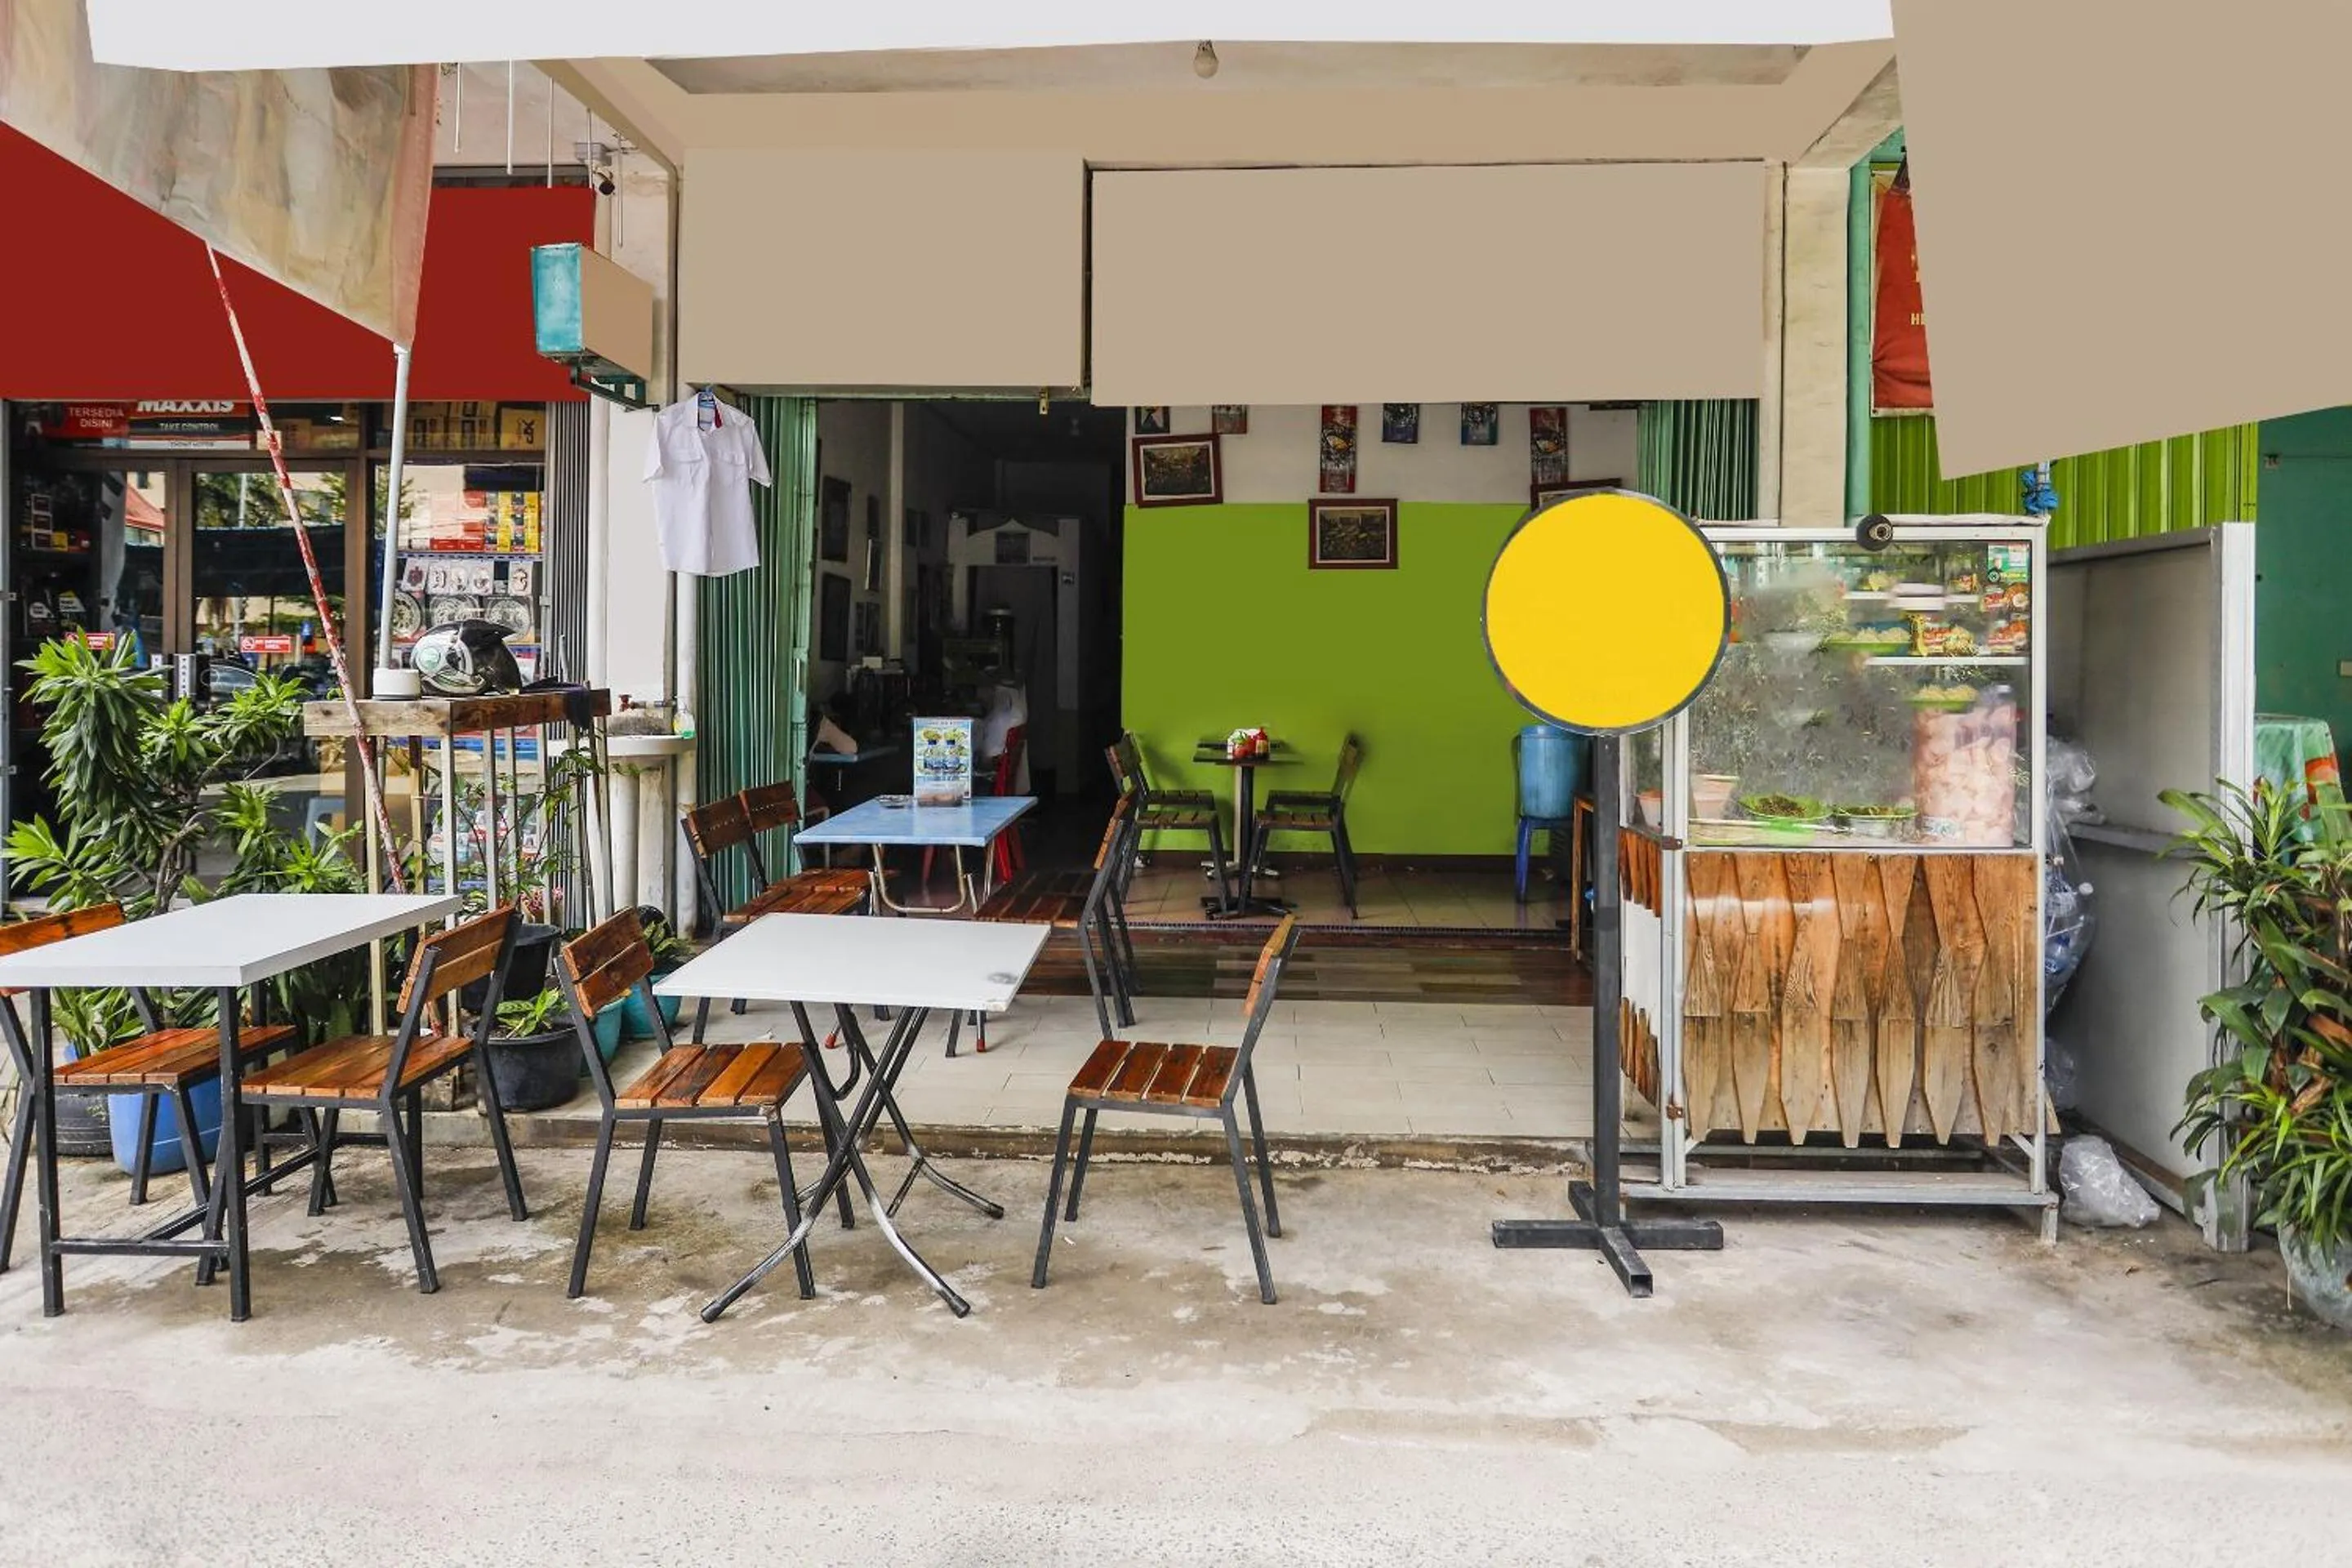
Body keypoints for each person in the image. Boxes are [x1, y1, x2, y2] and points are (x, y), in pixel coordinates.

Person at [977, 680, 1029, 794]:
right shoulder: (1017, 717)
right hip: (1003, 772)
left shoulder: (998, 720)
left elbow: (988, 758)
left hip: (992, 773)